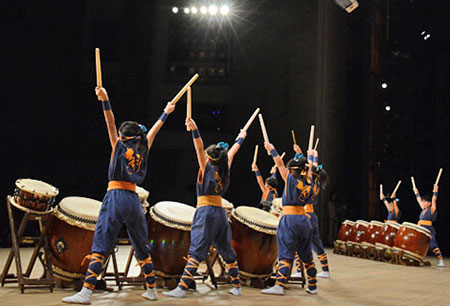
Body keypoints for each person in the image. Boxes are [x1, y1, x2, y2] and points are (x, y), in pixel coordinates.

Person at [62, 87, 176, 304]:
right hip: (134, 199)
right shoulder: (143, 147)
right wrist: (166, 112)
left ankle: (87, 291)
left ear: (124, 136)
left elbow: (109, 123)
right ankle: (152, 289)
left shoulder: (119, 146)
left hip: (116, 196)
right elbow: (154, 131)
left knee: (103, 240)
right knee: (140, 243)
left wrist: (105, 100)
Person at [163, 118, 246, 298]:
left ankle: (182, 288)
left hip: (206, 212)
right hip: (220, 214)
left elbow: (198, 147)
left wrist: (195, 129)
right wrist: (240, 138)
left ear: (209, 158)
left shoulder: (206, 167)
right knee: (225, 249)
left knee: (197, 248)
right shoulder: (225, 169)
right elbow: (232, 152)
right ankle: (237, 286)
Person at [261, 142, 317, 296]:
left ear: (292, 170)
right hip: (304, 220)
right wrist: (309, 156)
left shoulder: (290, 179)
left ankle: (279, 285)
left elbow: (278, 162)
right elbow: (310, 167)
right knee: (306, 255)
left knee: (286, 252)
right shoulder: (310, 183)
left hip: (290, 219)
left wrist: (271, 148)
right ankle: (312, 285)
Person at [292, 148, 330, 279]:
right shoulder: (317, 184)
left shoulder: (310, 181)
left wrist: (307, 155)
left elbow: (307, 167)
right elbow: (311, 167)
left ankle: (299, 271)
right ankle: (325, 270)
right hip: (312, 216)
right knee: (317, 244)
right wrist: (314, 155)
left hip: (306, 215)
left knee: (297, 244)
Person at [413, 184, 445, 267]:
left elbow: (434, 199)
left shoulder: (432, 209)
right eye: (423, 202)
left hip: (428, 229)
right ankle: (417, 258)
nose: (423, 203)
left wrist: (435, 191)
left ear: (429, 203)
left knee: (433, 244)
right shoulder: (423, 209)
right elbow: (418, 200)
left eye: (425, 202)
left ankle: (441, 260)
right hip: (421, 228)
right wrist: (416, 192)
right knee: (418, 243)